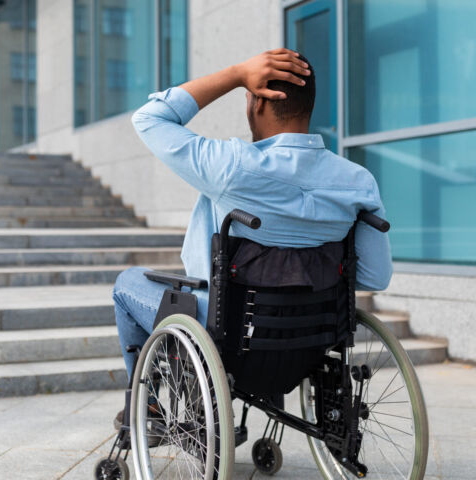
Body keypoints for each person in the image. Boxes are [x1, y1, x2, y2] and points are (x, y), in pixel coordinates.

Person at [112, 49, 392, 427]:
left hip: (227, 336)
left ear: (258, 100)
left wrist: (235, 74)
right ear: (308, 105)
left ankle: (147, 407)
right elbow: (375, 277)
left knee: (126, 283)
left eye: (247, 93)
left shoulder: (231, 166)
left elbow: (150, 118)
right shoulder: (358, 182)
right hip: (310, 341)